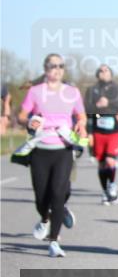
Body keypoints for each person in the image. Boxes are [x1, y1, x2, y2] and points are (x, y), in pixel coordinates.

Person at [18, 54, 88, 257]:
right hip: (40, 149)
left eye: (60, 66)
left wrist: (81, 124)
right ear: (45, 69)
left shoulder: (72, 92)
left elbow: (81, 115)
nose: (57, 69)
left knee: (58, 194)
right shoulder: (35, 91)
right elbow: (22, 115)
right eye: (52, 66)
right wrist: (29, 122)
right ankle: (45, 218)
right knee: (41, 197)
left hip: (63, 149)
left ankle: (54, 241)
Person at [84, 64, 118, 205]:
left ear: (111, 74)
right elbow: (86, 110)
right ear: (97, 74)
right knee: (102, 164)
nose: (103, 72)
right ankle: (104, 191)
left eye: (106, 70)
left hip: (113, 130)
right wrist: (89, 132)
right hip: (98, 131)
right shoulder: (91, 90)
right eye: (101, 71)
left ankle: (112, 185)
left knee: (110, 160)